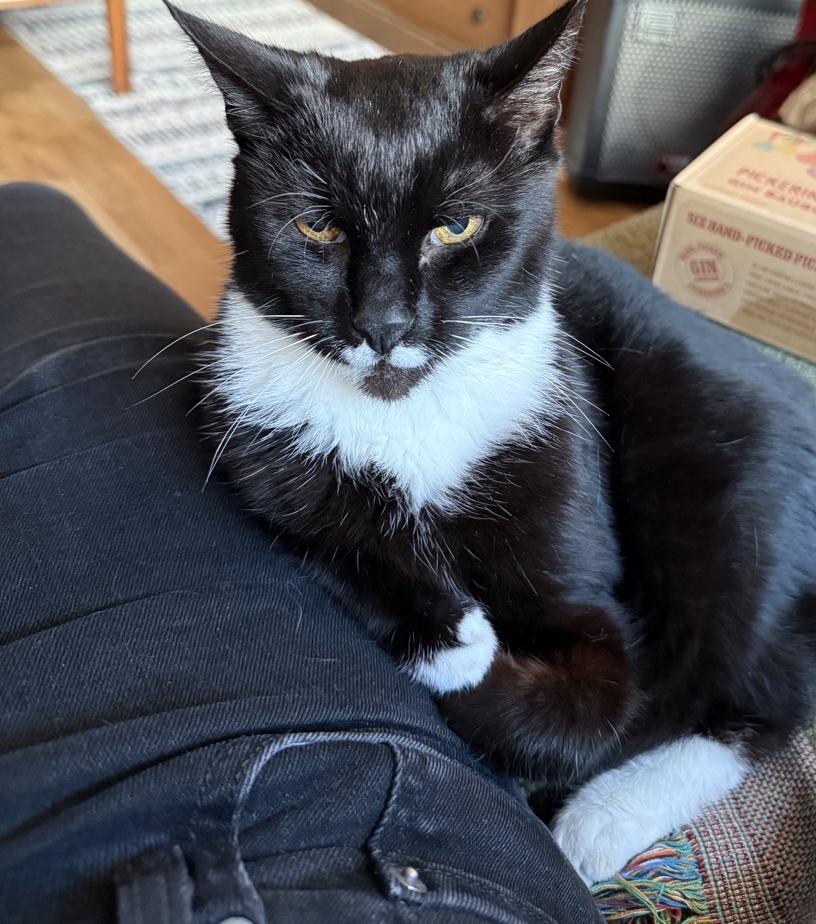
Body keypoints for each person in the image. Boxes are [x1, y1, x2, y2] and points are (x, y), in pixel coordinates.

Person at [0, 182, 600, 924]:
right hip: (414, 840)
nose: (384, 311)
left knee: (27, 214)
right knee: (30, 213)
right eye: (319, 225)